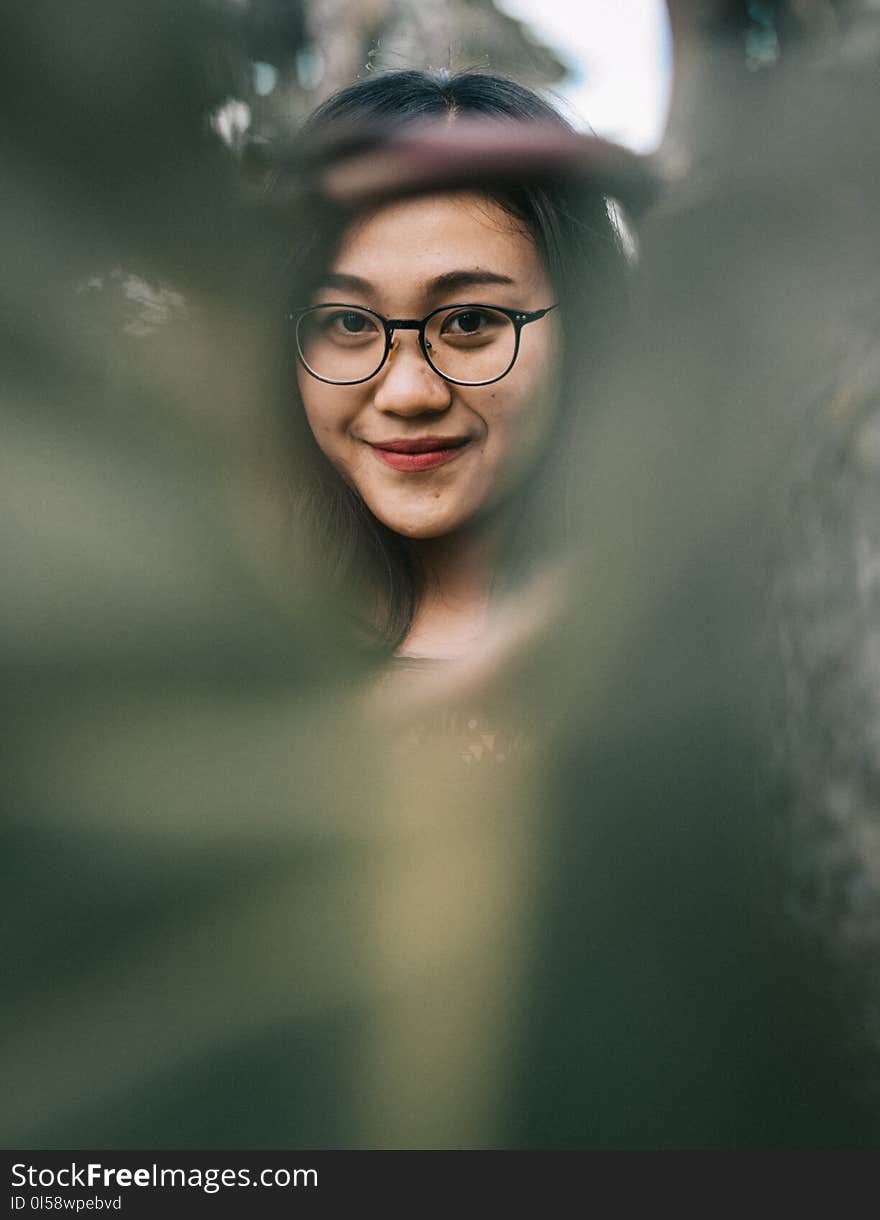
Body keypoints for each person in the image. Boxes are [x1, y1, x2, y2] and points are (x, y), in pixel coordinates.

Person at [278, 71, 630, 712]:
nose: (409, 392)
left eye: (469, 321)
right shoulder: (205, 648)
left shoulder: (697, 644)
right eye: (349, 323)